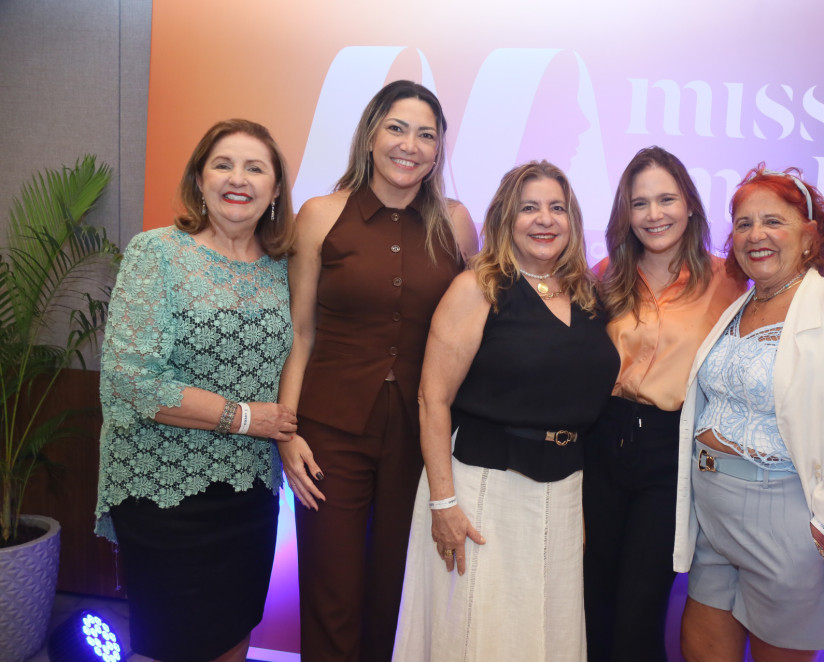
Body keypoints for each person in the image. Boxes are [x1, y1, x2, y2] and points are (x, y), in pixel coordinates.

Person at [278, 80, 479, 662]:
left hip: (422, 437)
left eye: (426, 135)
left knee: (399, 589)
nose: (409, 145)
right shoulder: (320, 215)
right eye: (397, 128)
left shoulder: (456, 223)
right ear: (370, 135)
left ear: (439, 150)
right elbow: (301, 332)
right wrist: (287, 434)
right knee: (330, 588)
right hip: (328, 433)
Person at [391, 160, 620, 662]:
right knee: (478, 630)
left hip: (563, 491)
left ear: (573, 220)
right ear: (505, 219)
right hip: (481, 490)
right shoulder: (477, 288)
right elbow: (434, 399)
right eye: (529, 208)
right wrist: (443, 504)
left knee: (545, 630)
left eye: (556, 208)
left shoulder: (587, 295)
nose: (544, 219)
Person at [676, 165, 824, 661]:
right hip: (713, 519)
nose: (755, 235)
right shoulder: (739, 305)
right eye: (743, 223)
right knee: (699, 648)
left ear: (808, 236)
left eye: (773, 221)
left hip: (787, 523)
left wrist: (823, 525)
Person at [95, 119, 298, 662]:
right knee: (177, 644)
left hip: (249, 493)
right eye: (223, 164)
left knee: (234, 632)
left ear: (276, 190)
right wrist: (247, 419)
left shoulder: (285, 272)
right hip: (163, 490)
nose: (239, 179)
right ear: (199, 179)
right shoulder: (157, 253)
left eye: (256, 168)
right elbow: (132, 380)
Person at [583, 146, 746, 661]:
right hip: (599, 443)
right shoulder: (604, 275)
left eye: (666, 199)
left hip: (670, 453)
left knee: (641, 605)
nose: (655, 215)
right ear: (625, 215)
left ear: (691, 205)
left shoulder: (730, 280)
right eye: (640, 203)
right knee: (591, 597)